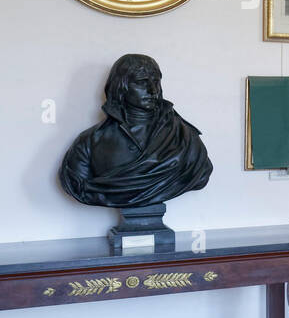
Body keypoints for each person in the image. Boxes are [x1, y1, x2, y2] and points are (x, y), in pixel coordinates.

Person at [59, 53, 212, 209]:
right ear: (121, 86)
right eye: (142, 82)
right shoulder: (89, 141)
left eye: (156, 81)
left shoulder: (184, 136)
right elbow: (78, 185)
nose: (153, 90)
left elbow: (202, 175)